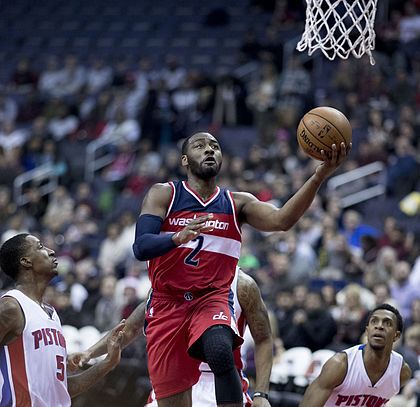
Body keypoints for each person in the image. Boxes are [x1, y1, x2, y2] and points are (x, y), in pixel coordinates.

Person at [131, 131, 349, 406]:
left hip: (210, 299)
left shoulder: (237, 203)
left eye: (215, 146)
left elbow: (282, 220)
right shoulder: (165, 194)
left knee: (221, 350)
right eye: (200, 146)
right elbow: (141, 247)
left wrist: (318, 176)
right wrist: (176, 237)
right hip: (167, 304)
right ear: (184, 160)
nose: (209, 150)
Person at [68, 267, 273, 406]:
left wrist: (261, 393)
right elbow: (129, 329)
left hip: (219, 382)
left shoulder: (242, 285)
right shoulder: (167, 278)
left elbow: (263, 338)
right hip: (172, 379)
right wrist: (88, 352)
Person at [0, 233, 124, 406]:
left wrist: (107, 363)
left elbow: (61, 389)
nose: (51, 251)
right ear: (25, 261)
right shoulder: (11, 307)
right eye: (41, 247)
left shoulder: (52, 315)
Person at [299, 304, 412, 407]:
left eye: (387, 323)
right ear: (367, 331)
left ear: (396, 336)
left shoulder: (401, 372)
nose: (379, 326)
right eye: (374, 321)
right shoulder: (340, 365)